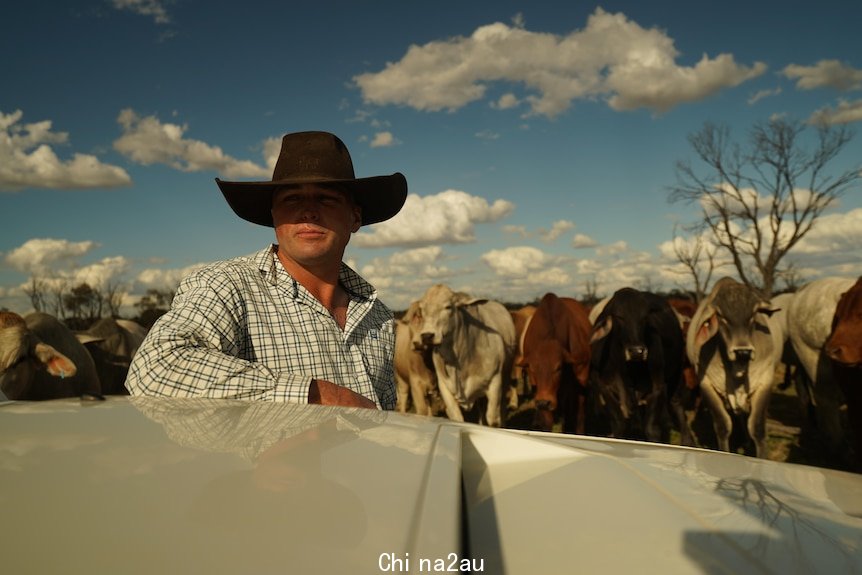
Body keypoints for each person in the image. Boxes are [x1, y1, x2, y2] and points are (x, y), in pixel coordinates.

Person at [125, 131, 408, 409]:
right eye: (292, 199)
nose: (308, 211)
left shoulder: (379, 317)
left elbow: (383, 414)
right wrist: (317, 395)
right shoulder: (226, 285)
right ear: (274, 216)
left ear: (354, 217)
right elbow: (155, 368)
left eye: (326, 198)